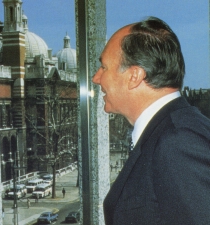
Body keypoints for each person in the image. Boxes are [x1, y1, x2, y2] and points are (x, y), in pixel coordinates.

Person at [92, 16, 210, 225]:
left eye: (104, 67)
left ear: (134, 76)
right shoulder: (172, 129)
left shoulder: (177, 142)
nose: (96, 78)